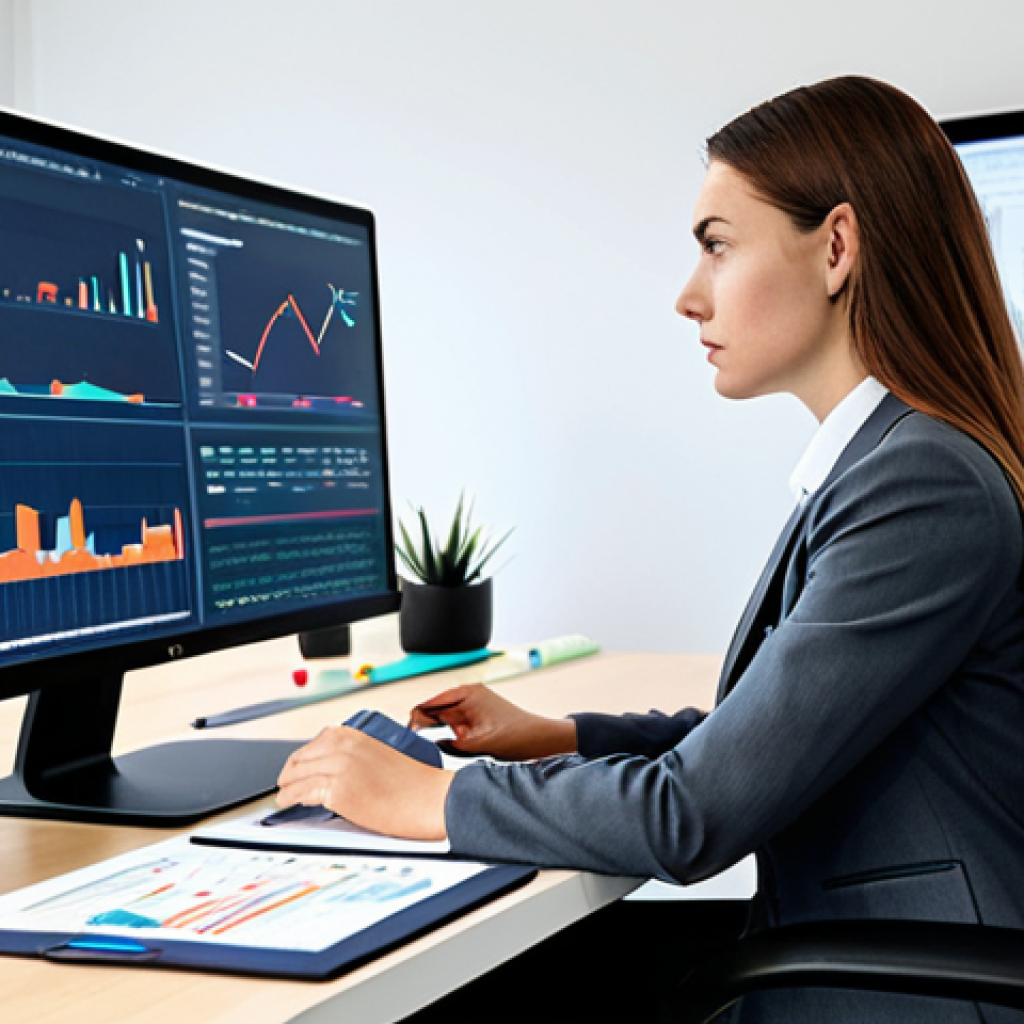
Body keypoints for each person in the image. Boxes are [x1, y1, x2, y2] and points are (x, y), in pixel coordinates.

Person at [276, 76, 1024, 1022]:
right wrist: (566, 736)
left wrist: (434, 803)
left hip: (905, 989)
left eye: (717, 246)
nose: (686, 295)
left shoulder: (922, 483)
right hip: (859, 940)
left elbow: (695, 814)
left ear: (836, 248)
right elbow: (772, 734)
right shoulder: (892, 459)